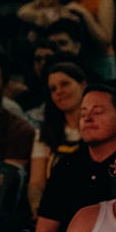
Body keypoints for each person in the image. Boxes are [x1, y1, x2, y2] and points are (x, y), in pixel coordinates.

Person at [33, 85, 116, 232]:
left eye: (98, 112)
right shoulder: (67, 166)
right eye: (83, 113)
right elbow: (45, 231)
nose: (87, 119)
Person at [27, 62, 87, 214]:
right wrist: (37, 208)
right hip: (54, 209)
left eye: (65, 84)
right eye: (53, 89)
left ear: (82, 85)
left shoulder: (98, 128)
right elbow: (36, 183)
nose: (59, 91)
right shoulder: (44, 134)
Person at [65, 0, 116, 81]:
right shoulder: (69, 1)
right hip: (79, 61)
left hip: (101, 61)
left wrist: (84, 12)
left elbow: (105, 41)